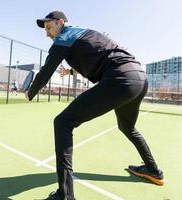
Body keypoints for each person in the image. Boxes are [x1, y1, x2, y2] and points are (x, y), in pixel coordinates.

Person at [25, 11, 164, 200]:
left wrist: (30, 92)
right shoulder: (82, 33)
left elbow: (47, 69)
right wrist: (71, 72)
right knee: (127, 126)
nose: (48, 33)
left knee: (63, 122)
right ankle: (153, 170)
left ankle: (65, 196)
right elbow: (97, 57)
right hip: (138, 78)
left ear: (61, 23)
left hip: (120, 79)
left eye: (49, 27)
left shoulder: (64, 36)